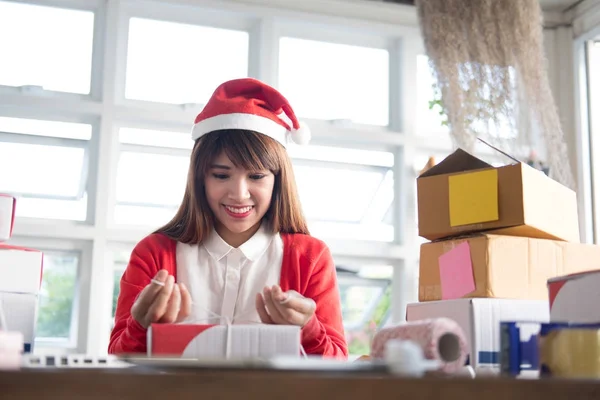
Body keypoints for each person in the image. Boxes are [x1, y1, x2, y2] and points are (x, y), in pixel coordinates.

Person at [108, 78, 348, 359]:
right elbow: (117, 362)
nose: (239, 193)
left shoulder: (310, 257)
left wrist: (308, 329)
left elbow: (337, 366)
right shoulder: (154, 254)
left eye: (256, 176)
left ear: (278, 180)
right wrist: (141, 327)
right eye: (221, 175)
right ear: (200, 178)